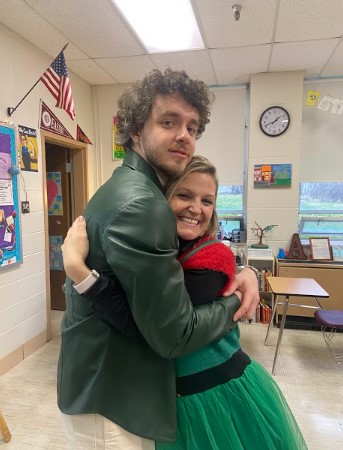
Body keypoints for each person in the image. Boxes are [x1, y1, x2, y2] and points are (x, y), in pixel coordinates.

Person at [57, 68, 260, 449]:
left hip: (108, 382)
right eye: (169, 122)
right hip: (113, 396)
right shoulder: (143, 204)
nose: (185, 135)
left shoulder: (133, 187)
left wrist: (243, 270)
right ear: (136, 129)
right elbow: (175, 334)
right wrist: (236, 299)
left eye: (193, 127)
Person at [62, 156, 308, 450]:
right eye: (184, 195)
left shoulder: (210, 259)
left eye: (207, 200)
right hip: (176, 396)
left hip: (214, 396)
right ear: (164, 199)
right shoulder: (164, 250)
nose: (196, 208)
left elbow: (154, 329)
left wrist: (80, 271)